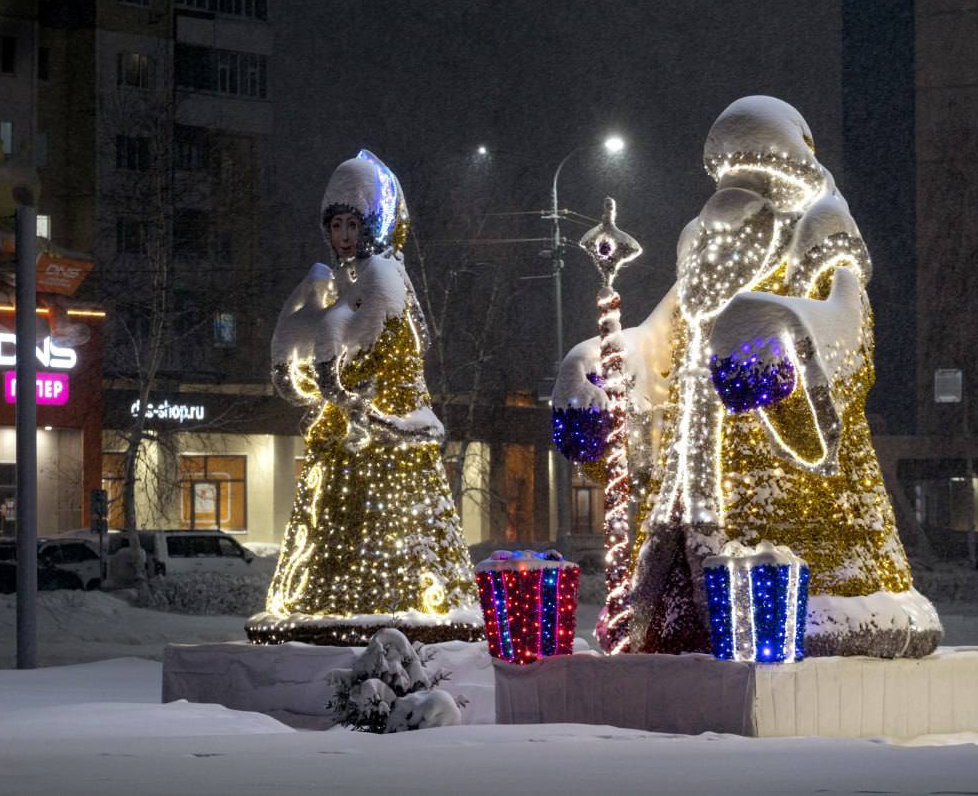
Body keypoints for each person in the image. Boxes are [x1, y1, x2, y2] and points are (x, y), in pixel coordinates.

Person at [554, 97, 942, 658]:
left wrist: (776, 332)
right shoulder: (704, 256)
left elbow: (846, 332)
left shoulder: (820, 237)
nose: (734, 208)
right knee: (663, 635)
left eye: (760, 179)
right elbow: (659, 343)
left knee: (765, 629)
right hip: (686, 486)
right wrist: (595, 366)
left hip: (794, 503)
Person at [251, 151, 480, 645]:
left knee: (395, 529)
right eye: (336, 225)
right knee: (336, 519)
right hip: (351, 430)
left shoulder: (382, 278)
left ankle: (398, 605)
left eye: (353, 224)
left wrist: (330, 363)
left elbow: (361, 338)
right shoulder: (342, 283)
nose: (344, 236)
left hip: (390, 424)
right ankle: (328, 600)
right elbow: (325, 342)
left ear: (372, 225)